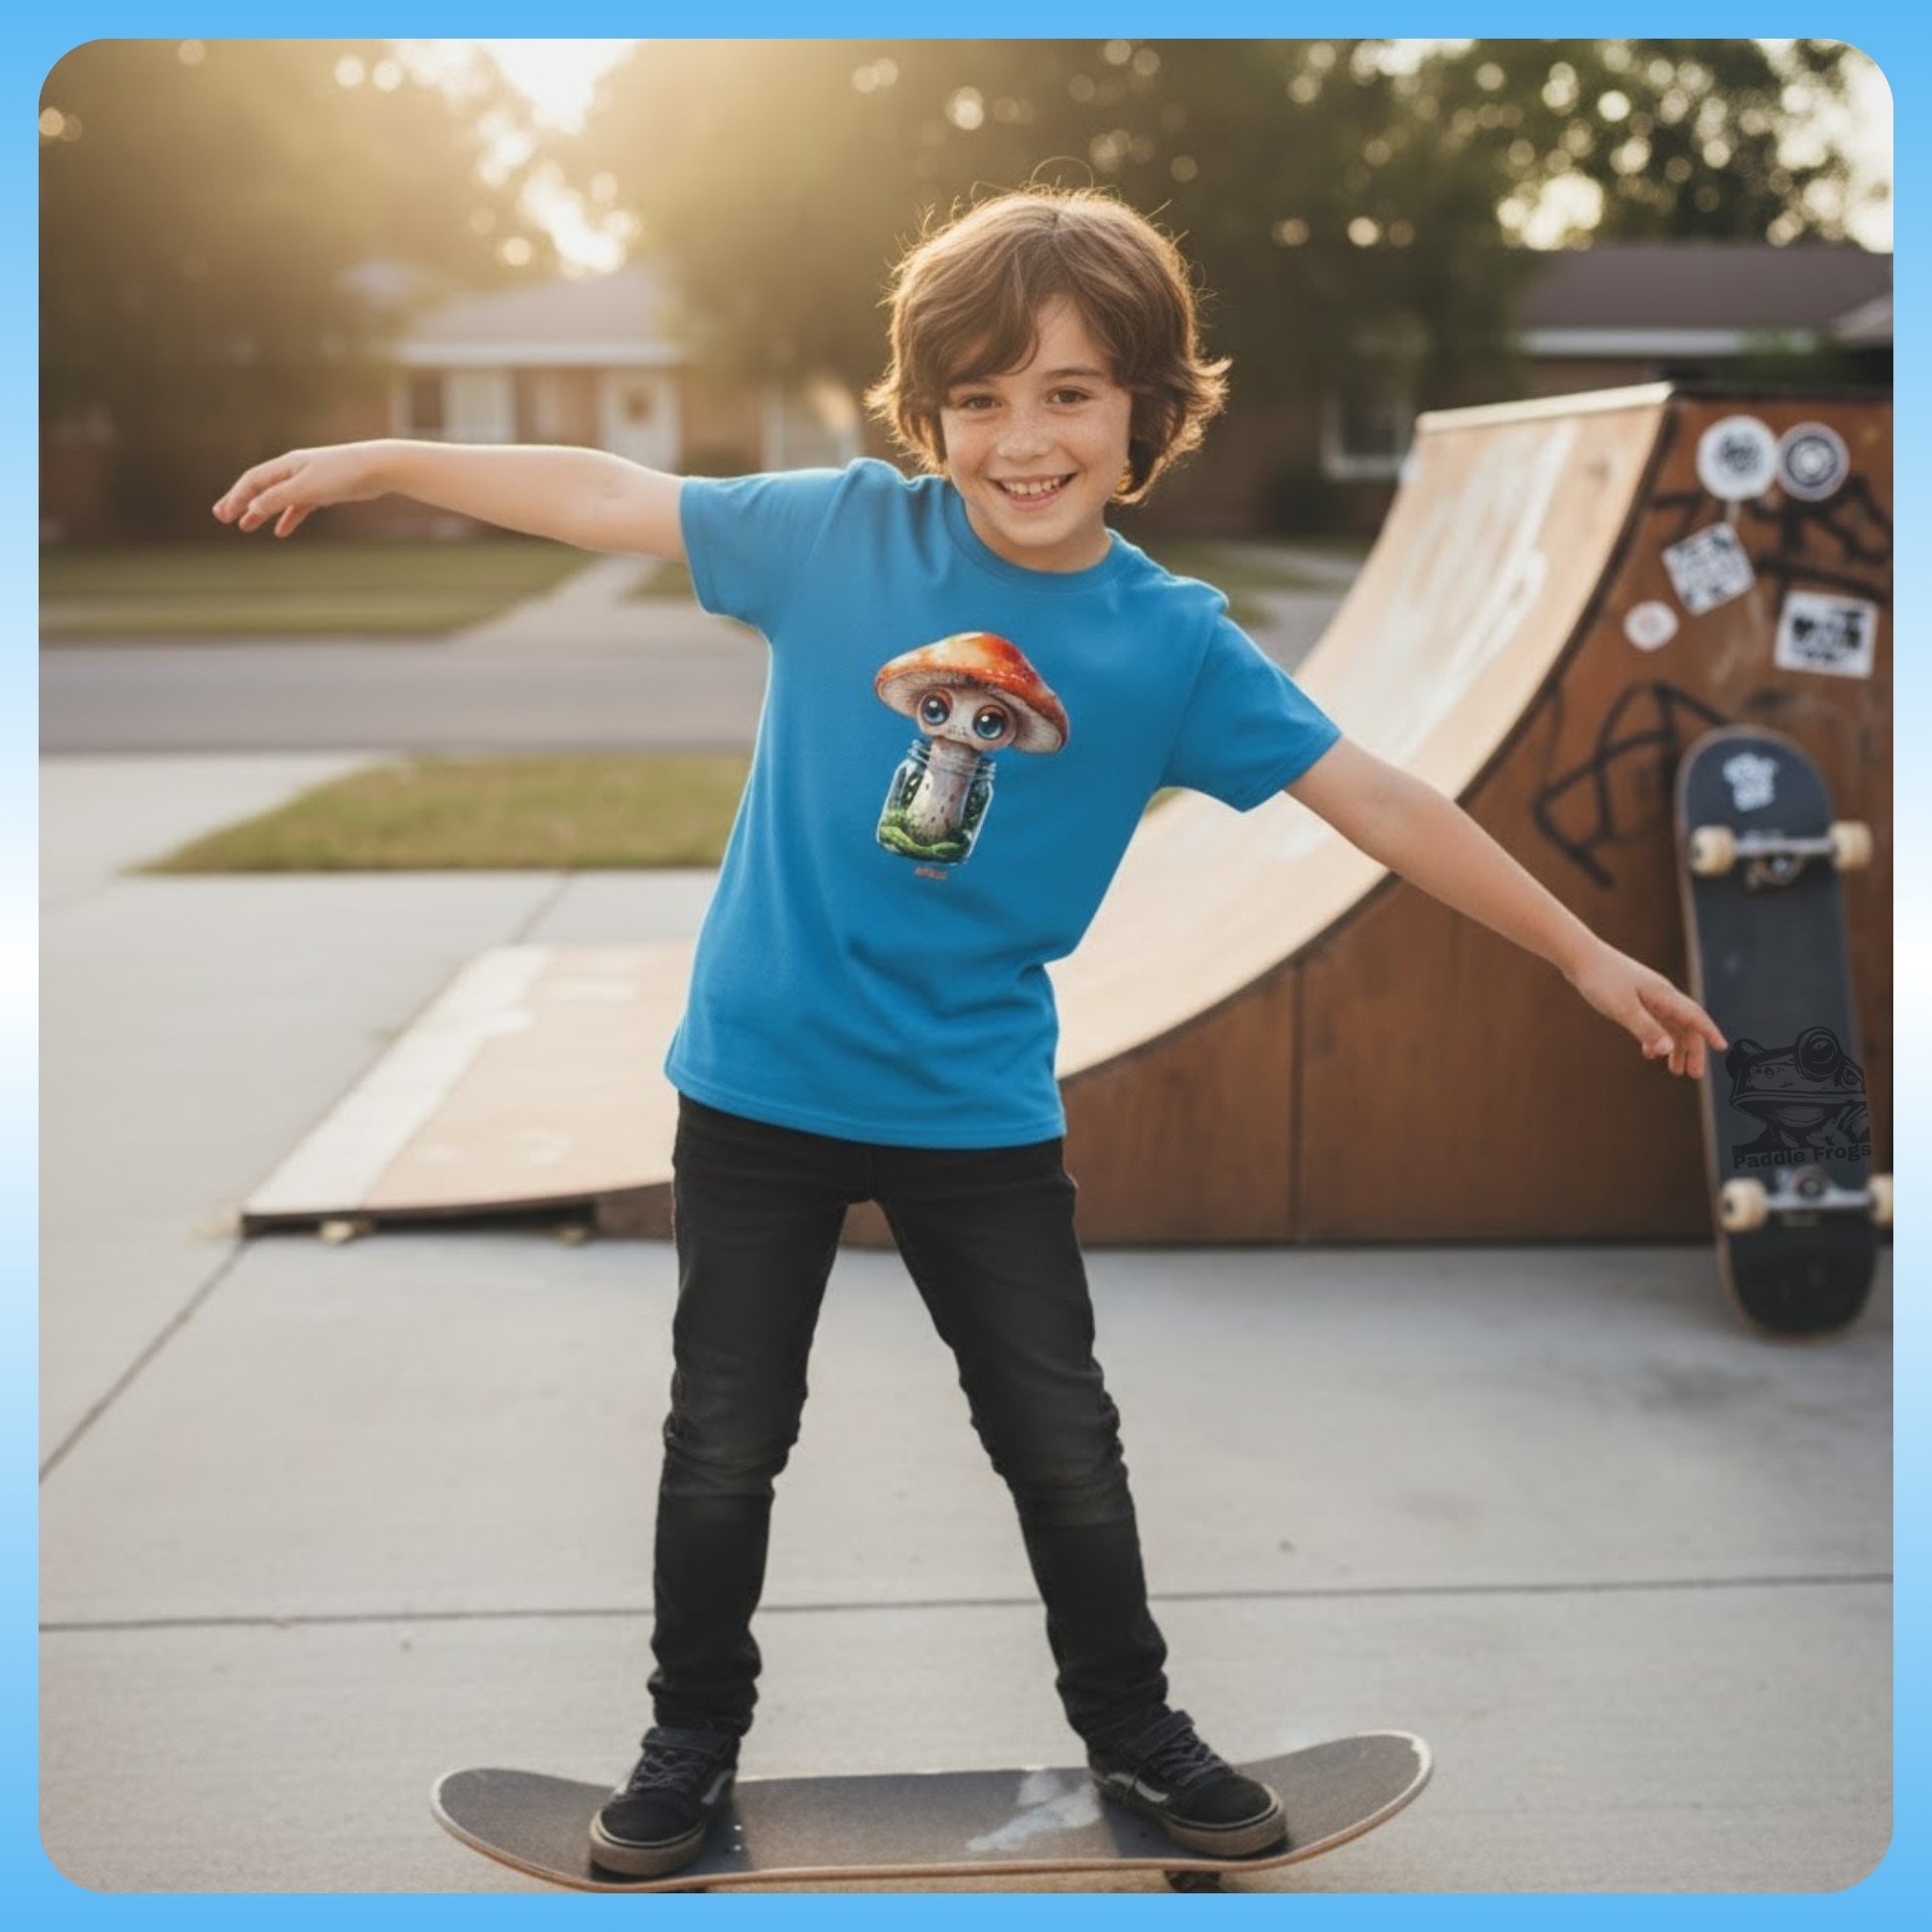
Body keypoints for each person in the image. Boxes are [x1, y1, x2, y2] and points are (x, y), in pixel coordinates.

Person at [213, 187, 1725, 1878]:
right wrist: (382, 458)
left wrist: (1584, 952)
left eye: (1069, 393)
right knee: (724, 1435)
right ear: (925, 414)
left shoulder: (1170, 642)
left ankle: (1136, 1728)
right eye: (981, 399)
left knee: (1058, 1437)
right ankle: (685, 1741)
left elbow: (1370, 795)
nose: (1023, 439)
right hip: (761, 1088)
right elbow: (604, 488)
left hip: (973, 1110)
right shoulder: (840, 533)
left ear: (1144, 410)